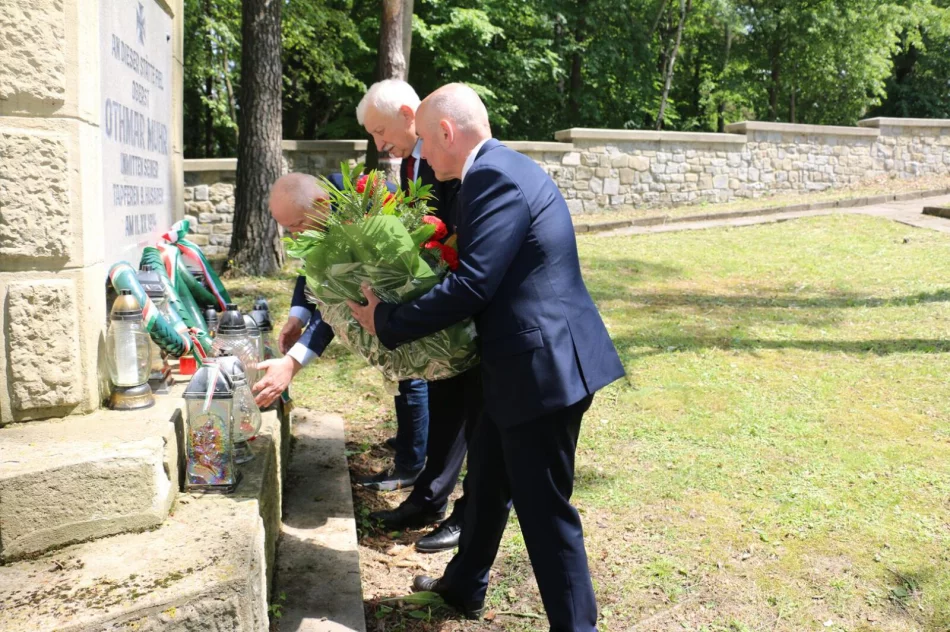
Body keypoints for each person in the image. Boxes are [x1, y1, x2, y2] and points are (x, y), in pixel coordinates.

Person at [347, 83, 625, 630]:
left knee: (546, 515)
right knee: (490, 481)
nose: (420, 154)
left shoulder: (493, 176)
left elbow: (473, 284)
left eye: (424, 141)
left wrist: (388, 321)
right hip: (518, 366)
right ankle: (463, 586)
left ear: (446, 133)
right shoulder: (491, 171)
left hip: (543, 374)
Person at [356, 79, 482, 552]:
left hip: (466, 300)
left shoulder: (456, 160)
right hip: (439, 297)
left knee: (476, 415)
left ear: (410, 115)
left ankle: (464, 513)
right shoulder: (411, 164)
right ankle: (430, 496)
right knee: (444, 395)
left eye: (380, 130)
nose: (378, 143)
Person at [254, 174, 430, 494]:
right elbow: (312, 269)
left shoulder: (362, 214)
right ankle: (408, 440)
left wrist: (292, 364)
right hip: (380, 303)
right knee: (399, 376)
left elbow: (337, 304)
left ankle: (411, 464)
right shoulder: (319, 207)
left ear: (321, 207)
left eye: (295, 226)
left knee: (410, 375)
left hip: (412, 301)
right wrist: (298, 315)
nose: (292, 236)